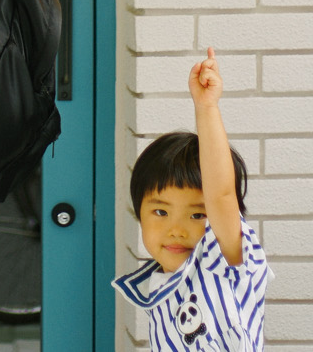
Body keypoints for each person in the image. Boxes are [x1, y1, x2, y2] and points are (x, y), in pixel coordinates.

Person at [115, 48, 272, 352]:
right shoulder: (160, 281)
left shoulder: (226, 263)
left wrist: (206, 107)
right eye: (160, 211)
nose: (176, 229)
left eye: (198, 215)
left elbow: (221, 194)